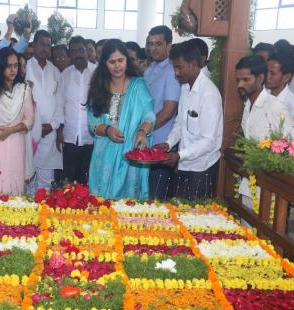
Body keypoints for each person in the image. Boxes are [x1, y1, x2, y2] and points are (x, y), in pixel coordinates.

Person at [87, 39, 155, 200]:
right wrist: (108, 130)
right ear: (104, 63)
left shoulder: (138, 85)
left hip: (130, 156)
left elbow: (149, 114)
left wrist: (142, 131)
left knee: (128, 207)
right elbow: (93, 124)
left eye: (120, 60)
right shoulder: (99, 86)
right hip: (104, 156)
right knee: (101, 204)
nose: (117, 66)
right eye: (112, 62)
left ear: (126, 60)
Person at [156, 41, 223, 200]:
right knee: (180, 212)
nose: (176, 73)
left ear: (193, 64)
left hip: (202, 168)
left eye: (179, 67)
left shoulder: (209, 94)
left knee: (196, 218)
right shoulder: (185, 87)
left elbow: (209, 141)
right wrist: (168, 143)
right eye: (174, 67)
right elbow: (180, 123)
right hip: (185, 163)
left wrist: (180, 155)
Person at [236, 55, 293, 208]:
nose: (240, 84)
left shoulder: (274, 107)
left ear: (260, 78)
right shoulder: (248, 104)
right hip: (248, 184)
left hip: (269, 191)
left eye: (245, 80)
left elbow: (290, 149)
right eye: (238, 80)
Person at [0, 47, 34, 195]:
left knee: (16, 182)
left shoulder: (24, 89)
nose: (13, 70)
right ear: (0, 67)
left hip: (17, 141)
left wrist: (10, 130)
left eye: (16, 65)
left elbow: (29, 120)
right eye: (8, 66)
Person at [144, 25, 181, 200]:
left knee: (156, 201)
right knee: (143, 199)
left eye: (158, 44)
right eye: (151, 43)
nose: (153, 48)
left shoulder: (172, 72)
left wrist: (143, 130)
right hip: (145, 143)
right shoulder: (148, 70)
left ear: (169, 45)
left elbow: (168, 111)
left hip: (162, 145)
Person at [26, 30, 63, 191]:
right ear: (33, 46)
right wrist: (33, 126)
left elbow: (60, 102)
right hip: (28, 133)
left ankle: (43, 215)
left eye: (48, 46)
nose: (45, 49)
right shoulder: (24, 67)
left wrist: (53, 125)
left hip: (49, 132)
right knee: (27, 180)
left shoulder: (55, 71)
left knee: (46, 184)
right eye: (42, 44)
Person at [58, 36, 96, 184]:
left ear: (87, 51)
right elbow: (60, 104)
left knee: (87, 181)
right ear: (70, 55)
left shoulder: (97, 73)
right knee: (68, 181)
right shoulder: (65, 75)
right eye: (73, 51)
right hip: (69, 138)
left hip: (91, 138)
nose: (77, 54)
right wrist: (59, 130)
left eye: (80, 49)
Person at [265, 52, 294, 123]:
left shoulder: (291, 104)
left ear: (286, 77)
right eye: (266, 71)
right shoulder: (261, 95)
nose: (267, 76)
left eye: (272, 73)